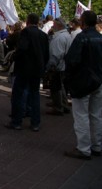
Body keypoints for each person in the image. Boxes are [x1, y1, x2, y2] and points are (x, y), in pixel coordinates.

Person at [64, 11, 102, 160]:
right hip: (98, 81)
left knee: (81, 116)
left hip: (83, 82)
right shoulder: (99, 38)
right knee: (96, 114)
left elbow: (72, 60)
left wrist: (70, 79)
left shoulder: (82, 38)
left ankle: (83, 148)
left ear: (83, 21)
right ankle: (97, 145)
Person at [6, 13, 49, 132]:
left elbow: (22, 48)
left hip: (24, 69)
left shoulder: (26, 32)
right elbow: (46, 54)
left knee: (18, 95)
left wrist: (14, 56)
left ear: (28, 21)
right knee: (35, 95)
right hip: (37, 69)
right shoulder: (43, 35)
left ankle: (16, 121)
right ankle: (35, 123)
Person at [46, 18, 72, 116]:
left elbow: (56, 54)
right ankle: (63, 105)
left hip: (58, 66)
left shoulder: (60, 37)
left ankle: (58, 107)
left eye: (54, 25)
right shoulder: (66, 35)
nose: (53, 26)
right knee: (60, 87)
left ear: (59, 25)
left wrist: (51, 66)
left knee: (55, 87)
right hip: (63, 65)